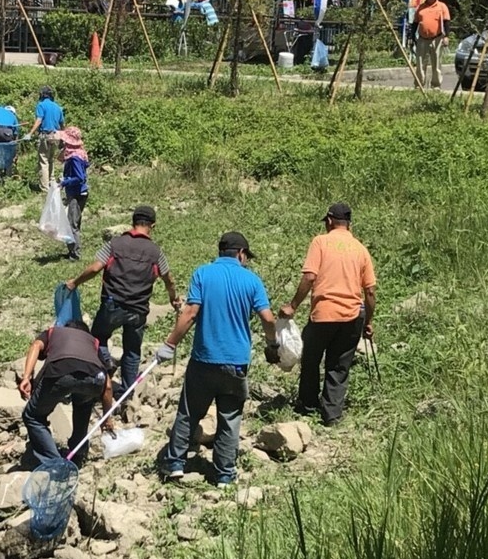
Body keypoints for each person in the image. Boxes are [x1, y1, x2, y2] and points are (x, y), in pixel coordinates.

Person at [155, 232, 279, 486]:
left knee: (189, 412)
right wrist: (272, 344)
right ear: (241, 254)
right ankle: (224, 474)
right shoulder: (251, 280)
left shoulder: (203, 274)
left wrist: (170, 343)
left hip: (204, 358)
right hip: (236, 362)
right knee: (230, 417)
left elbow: (190, 313)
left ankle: (175, 464)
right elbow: (268, 318)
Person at [66, 205, 183, 401]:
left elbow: (95, 268)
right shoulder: (155, 252)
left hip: (113, 304)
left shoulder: (115, 244)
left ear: (132, 222)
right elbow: (168, 279)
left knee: (99, 338)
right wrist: (173, 298)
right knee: (132, 350)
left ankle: (105, 371)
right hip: (138, 310)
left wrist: (74, 282)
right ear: (152, 226)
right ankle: (127, 395)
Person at [279, 203, 377, 427]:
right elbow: (370, 291)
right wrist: (368, 322)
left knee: (312, 359)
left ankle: (307, 406)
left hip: (324, 313)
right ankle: (332, 415)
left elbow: (310, 277)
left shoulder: (320, 242)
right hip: (352, 316)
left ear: (330, 221)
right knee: (339, 365)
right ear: (349, 224)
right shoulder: (360, 249)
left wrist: (293, 305)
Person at [19, 319, 115, 467]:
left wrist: (26, 377)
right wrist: (106, 417)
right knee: (83, 406)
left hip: (60, 372)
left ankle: (55, 464)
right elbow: (107, 386)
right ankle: (77, 455)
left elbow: (36, 345)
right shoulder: (93, 342)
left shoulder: (53, 332)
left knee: (33, 416)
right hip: (93, 379)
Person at [58, 126, 89, 261]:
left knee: (72, 224)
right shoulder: (79, 154)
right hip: (79, 192)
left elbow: (79, 177)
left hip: (76, 193)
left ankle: (75, 254)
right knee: (74, 222)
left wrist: (64, 182)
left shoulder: (74, 157)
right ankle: (72, 249)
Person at [26, 85, 65, 191]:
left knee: (43, 161)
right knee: (51, 159)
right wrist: (63, 138)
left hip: (45, 135)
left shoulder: (41, 105)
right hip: (56, 135)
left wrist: (30, 133)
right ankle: (51, 182)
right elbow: (62, 124)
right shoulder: (58, 107)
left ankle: (45, 187)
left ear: (42, 95)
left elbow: (39, 120)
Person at [413, 0, 450, 89]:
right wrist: (411, 36)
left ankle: (436, 85)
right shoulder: (420, 8)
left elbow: (447, 22)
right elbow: (415, 23)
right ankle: (419, 85)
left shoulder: (442, 6)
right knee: (420, 63)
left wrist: (446, 36)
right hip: (422, 39)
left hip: (437, 38)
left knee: (437, 63)